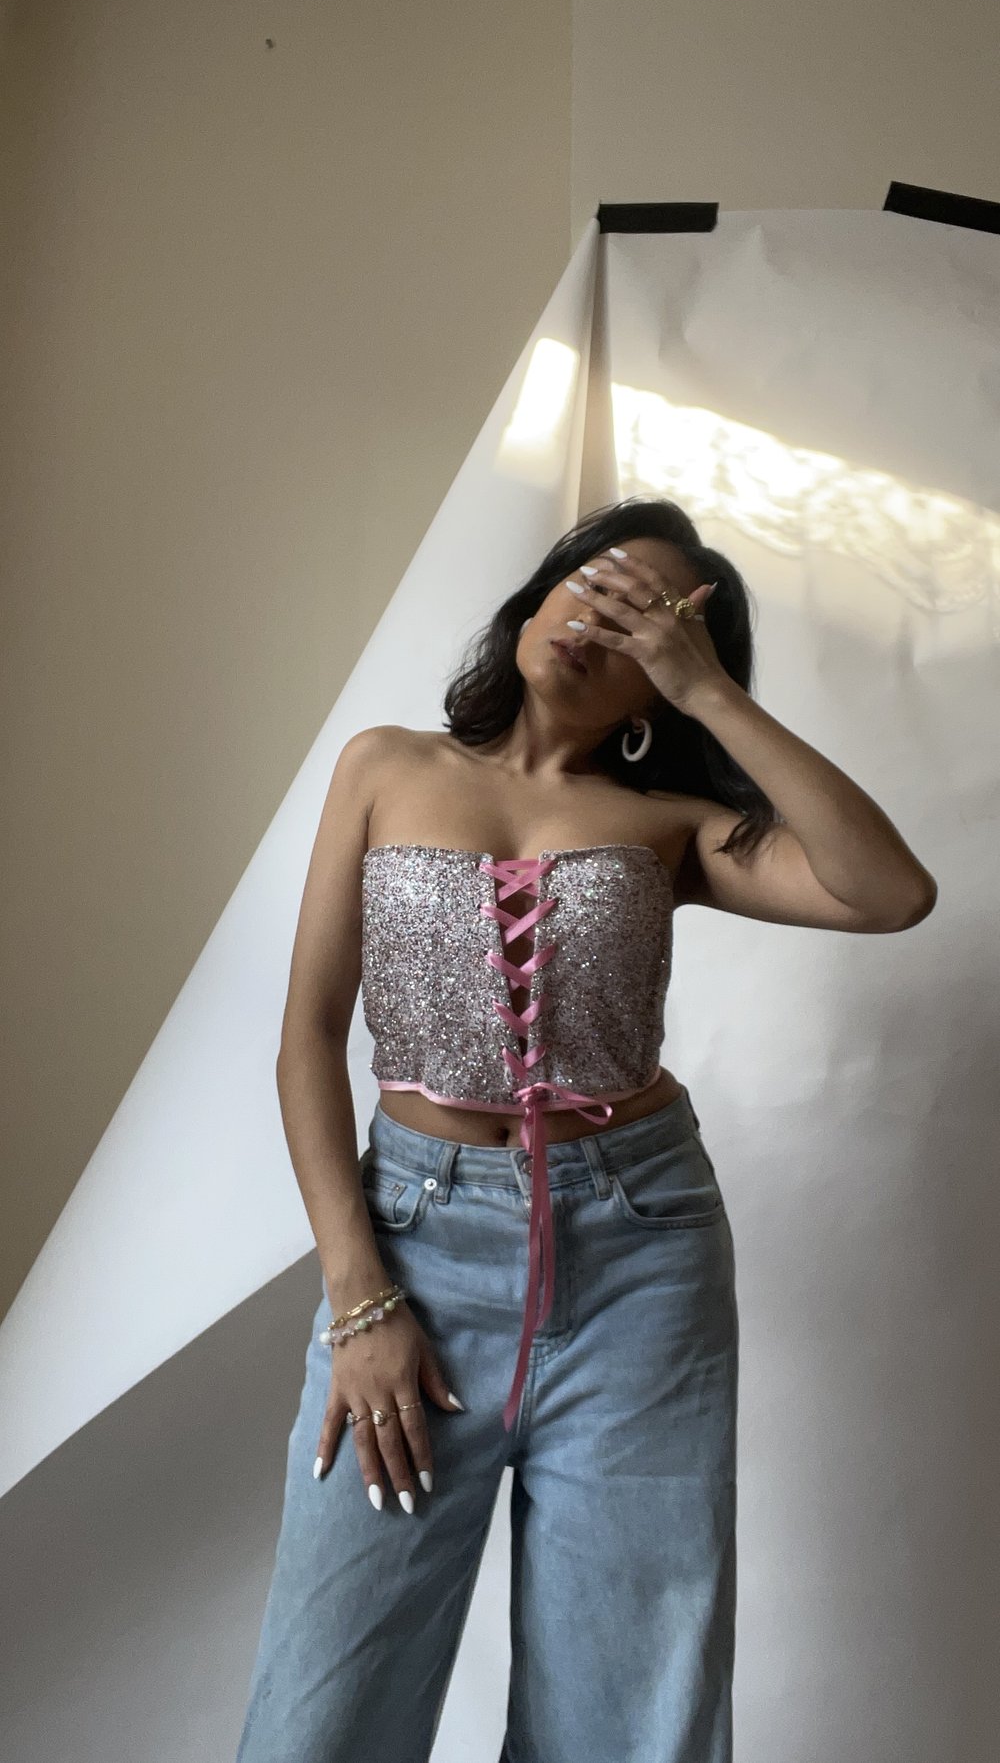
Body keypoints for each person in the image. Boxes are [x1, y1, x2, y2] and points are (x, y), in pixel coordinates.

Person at [235, 496, 936, 1763]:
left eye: (644, 620)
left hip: (638, 1258)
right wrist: (359, 1296)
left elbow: (890, 892)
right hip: (416, 1252)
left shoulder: (672, 826)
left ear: (662, 678)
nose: (600, 621)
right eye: (594, 585)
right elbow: (306, 1040)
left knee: (629, 1709)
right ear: (535, 596)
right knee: (323, 1705)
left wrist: (710, 692)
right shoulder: (385, 765)